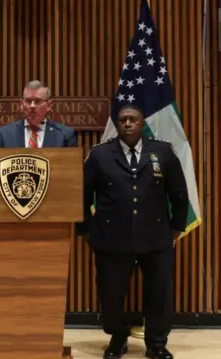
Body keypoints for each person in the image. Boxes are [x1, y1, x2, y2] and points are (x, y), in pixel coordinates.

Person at [78, 104, 188, 359]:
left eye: (133, 119)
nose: (128, 123)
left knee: (159, 293)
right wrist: (86, 230)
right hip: (111, 238)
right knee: (111, 294)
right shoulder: (100, 155)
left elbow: (179, 194)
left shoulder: (162, 151)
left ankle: (157, 344)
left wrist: (175, 228)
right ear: (117, 125)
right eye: (123, 120)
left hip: (156, 237)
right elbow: (82, 196)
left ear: (142, 124)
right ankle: (117, 338)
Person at [0, 80, 77, 148]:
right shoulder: (4, 134)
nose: (32, 106)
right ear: (22, 104)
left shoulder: (65, 135)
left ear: (49, 105)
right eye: (28, 101)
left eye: (38, 101)